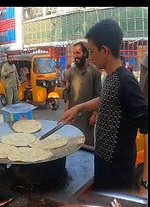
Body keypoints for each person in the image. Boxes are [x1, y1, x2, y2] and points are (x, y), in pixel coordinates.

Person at [60, 19, 148, 190]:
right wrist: (79, 108)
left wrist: (145, 179)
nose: (90, 57)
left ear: (105, 50)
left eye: (92, 51)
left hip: (119, 173)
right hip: (103, 164)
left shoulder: (126, 81)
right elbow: (106, 99)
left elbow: (146, 126)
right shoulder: (110, 76)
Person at [63, 42, 102, 146]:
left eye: (78, 53)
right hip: (73, 115)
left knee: (86, 142)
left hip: (87, 117)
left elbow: (99, 95)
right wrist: (67, 109)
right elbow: (67, 91)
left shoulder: (94, 72)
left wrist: (94, 115)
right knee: (72, 141)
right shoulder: (70, 72)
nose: (75, 56)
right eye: (74, 53)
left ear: (85, 54)